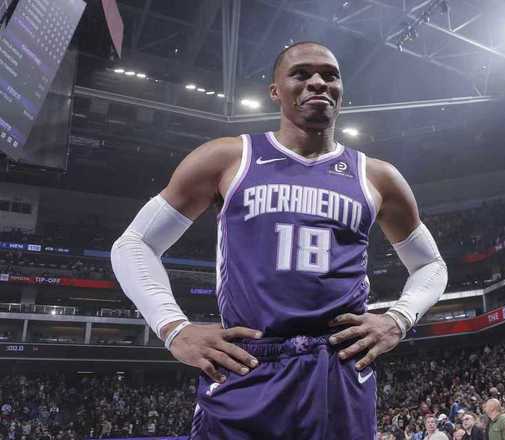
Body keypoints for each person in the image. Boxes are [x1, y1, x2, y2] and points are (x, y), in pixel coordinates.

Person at [110, 41, 448, 439]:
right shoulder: (229, 157)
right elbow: (134, 244)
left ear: (341, 90)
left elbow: (431, 265)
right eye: (301, 74)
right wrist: (173, 328)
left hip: (338, 364)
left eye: (330, 75)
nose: (318, 82)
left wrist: (397, 319)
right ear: (275, 91)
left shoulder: (377, 176)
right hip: (248, 362)